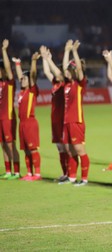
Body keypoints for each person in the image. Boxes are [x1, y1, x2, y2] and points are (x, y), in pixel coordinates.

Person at [61, 40, 90, 186]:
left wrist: (74, 52)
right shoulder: (67, 84)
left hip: (76, 120)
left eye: (68, 69)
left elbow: (78, 68)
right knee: (69, 149)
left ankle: (84, 179)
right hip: (67, 121)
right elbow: (65, 68)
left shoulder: (79, 83)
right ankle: (72, 177)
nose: (66, 71)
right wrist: (66, 51)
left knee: (79, 149)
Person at [40, 46, 68, 181]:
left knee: (66, 147)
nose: (55, 75)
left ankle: (71, 174)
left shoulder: (64, 84)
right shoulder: (55, 84)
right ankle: (65, 173)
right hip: (55, 120)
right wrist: (45, 58)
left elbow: (57, 73)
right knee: (59, 147)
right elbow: (46, 71)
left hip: (63, 119)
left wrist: (49, 60)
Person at [12, 53, 42, 181]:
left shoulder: (32, 91)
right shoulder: (22, 92)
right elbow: (20, 76)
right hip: (22, 124)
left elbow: (33, 74)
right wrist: (17, 64)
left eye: (25, 79)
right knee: (26, 150)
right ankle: (29, 173)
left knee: (33, 149)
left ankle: (38, 174)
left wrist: (33, 60)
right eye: (22, 79)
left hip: (30, 123)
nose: (22, 80)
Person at [0, 39, 21, 180]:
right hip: (0, 118)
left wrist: (4, 51)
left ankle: (17, 171)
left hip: (8, 117)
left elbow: (8, 68)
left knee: (10, 143)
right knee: (3, 144)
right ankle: (8, 171)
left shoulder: (9, 82)